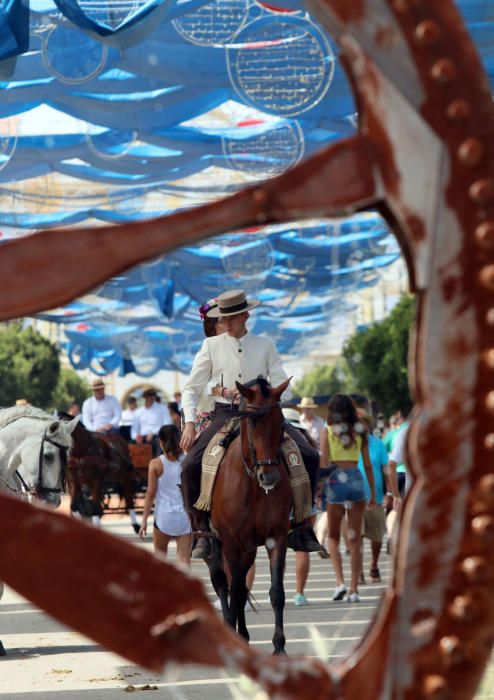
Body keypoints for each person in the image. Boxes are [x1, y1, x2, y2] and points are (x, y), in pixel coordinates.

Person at [180, 288, 321, 559]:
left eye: (231, 318)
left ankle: (302, 524)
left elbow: (287, 390)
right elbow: (191, 388)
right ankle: (202, 532)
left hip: (264, 415)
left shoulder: (265, 344)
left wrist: (260, 392)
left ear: (245, 316)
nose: (226, 324)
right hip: (226, 415)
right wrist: (189, 423)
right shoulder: (211, 346)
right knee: (189, 467)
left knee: (310, 455)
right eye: (223, 318)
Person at [320, 393, 376, 603]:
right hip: (356, 479)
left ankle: (339, 582)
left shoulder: (327, 431)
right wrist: (372, 493)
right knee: (354, 538)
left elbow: (324, 463)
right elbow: (368, 465)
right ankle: (354, 590)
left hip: (335, 479)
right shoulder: (360, 430)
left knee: (333, 536)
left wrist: (319, 491)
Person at [139, 424, 192, 566]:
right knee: (184, 560)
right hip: (185, 517)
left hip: (163, 517)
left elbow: (150, 494)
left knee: (160, 559)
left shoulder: (156, 463)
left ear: (161, 442)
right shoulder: (188, 461)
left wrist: (144, 521)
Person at [356, 410, 392, 584]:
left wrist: (390, 493)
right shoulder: (347, 444)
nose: (360, 425)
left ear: (368, 424)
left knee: (377, 537)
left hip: (376, 498)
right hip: (354, 499)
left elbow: (386, 472)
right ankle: (359, 571)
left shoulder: (378, 445)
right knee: (357, 537)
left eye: (363, 421)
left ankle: (374, 565)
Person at [131, 389, 172, 456]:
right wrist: (136, 437)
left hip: (157, 436)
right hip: (142, 437)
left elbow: (167, 425)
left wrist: (153, 433)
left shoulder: (162, 408)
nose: (150, 397)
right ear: (144, 397)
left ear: (154, 397)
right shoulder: (138, 411)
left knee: (159, 444)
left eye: (152, 395)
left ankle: (158, 464)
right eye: (148, 395)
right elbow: (134, 429)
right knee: (129, 446)